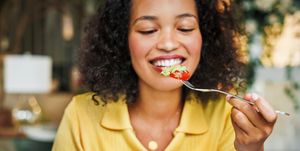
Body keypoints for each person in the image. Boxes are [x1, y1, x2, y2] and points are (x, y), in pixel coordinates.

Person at [52, 0, 277, 150]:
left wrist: (251, 150)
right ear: (122, 40)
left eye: (185, 28)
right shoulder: (81, 116)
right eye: (148, 30)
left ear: (205, 37)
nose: (168, 44)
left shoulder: (228, 117)